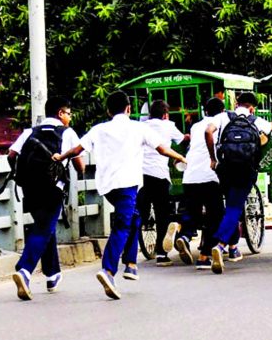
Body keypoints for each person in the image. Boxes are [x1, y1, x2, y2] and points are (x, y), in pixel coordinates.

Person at [54, 90, 187, 300]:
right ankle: (108, 270)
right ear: (129, 109)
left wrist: (60, 156)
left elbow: (77, 149)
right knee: (123, 224)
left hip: (107, 187)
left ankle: (131, 264)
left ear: (108, 110)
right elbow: (162, 149)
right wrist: (180, 156)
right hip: (127, 184)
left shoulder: (99, 129)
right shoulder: (138, 128)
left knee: (134, 217)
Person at [9, 96, 85, 300]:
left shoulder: (29, 132)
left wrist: (20, 174)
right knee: (43, 228)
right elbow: (80, 165)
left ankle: (53, 274)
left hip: (30, 188)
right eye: (68, 113)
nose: (70, 117)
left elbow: (11, 154)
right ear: (60, 113)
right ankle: (24, 270)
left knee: (44, 227)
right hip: (53, 187)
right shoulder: (67, 133)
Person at [205, 92, 272, 274]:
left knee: (230, 205)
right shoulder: (255, 120)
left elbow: (208, 132)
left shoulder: (223, 116)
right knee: (235, 208)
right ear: (252, 107)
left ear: (236, 103)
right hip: (246, 169)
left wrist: (213, 158)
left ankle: (229, 245)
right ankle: (220, 245)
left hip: (225, 168)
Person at [137, 99, 187, 267]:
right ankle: (161, 253)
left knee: (140, 211)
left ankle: (128, 250)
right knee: (162, 213)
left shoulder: (141, 126)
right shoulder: (169, 126)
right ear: (165, 115)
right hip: (159, 174)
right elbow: (182, 140)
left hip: (140, 174)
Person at [182, 97, 227, 270]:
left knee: (193, 213)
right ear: (222, 111)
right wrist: (214, 160)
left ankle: (184, 234)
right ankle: (204, 256)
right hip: (210, 176)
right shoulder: (222, 122)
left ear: (205, 112)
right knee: (214, 217)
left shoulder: (195, 126)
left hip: (189, 176)